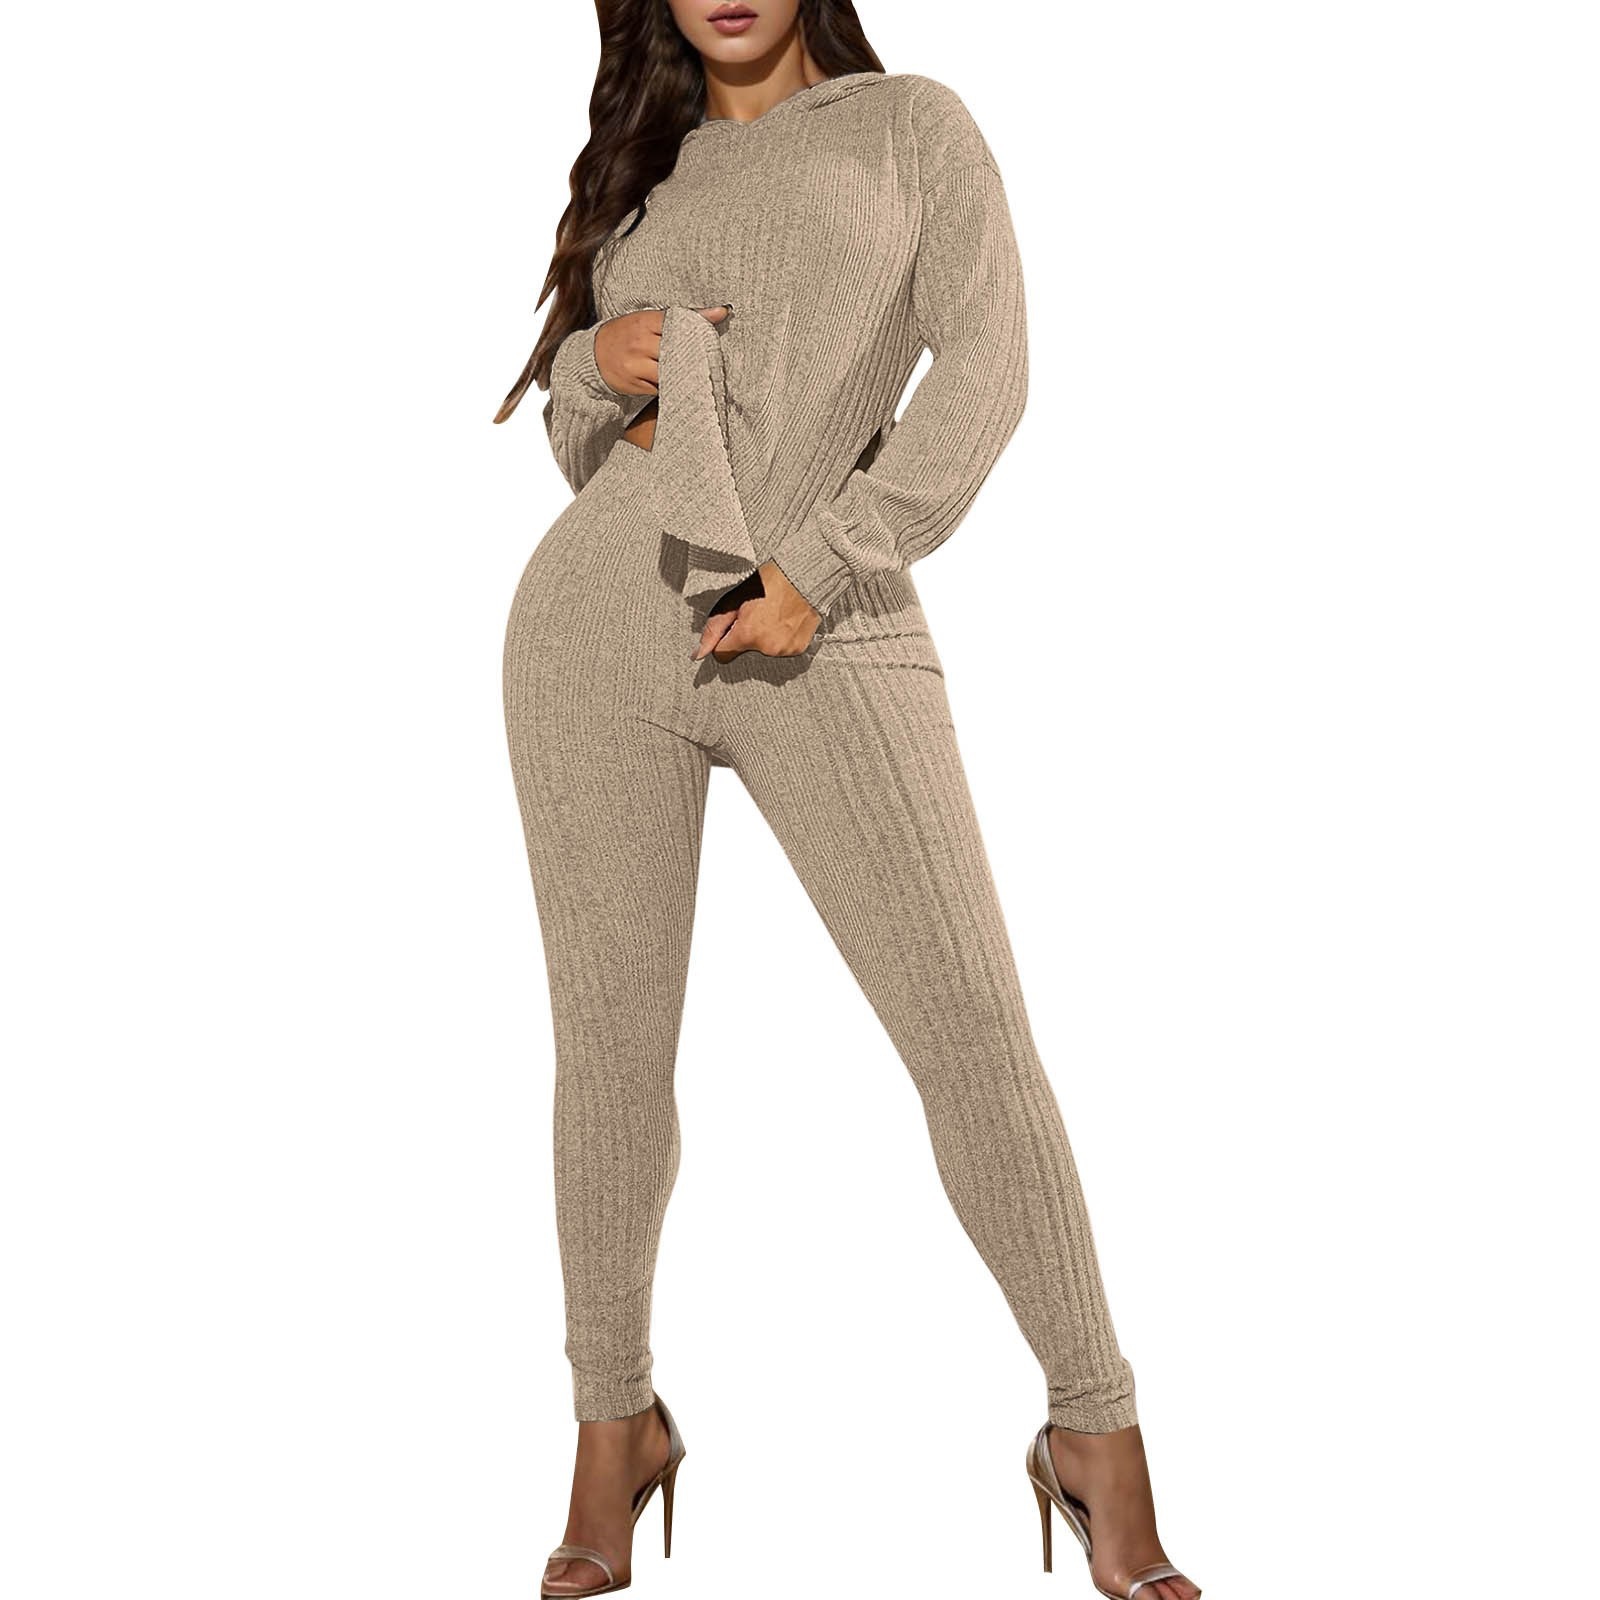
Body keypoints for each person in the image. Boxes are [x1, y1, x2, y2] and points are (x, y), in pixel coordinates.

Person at [494, 5, 1201, 1598]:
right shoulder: (650, 173)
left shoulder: (910, 129)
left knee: (972, 1034)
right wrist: (592, 366)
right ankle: (612, 1430)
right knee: (610, 1054)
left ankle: (1096, 1429)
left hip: (826, 616)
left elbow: (988, 372)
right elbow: (585, 448)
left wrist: (822, 567)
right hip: (597, 627)